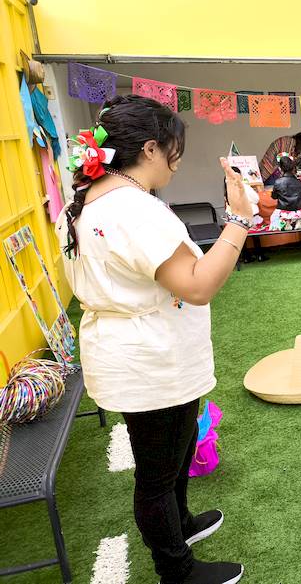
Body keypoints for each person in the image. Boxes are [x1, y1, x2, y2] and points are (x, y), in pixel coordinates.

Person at [56, 95, 249, 584]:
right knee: (157, 475)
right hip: (149, 358)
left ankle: (181, 525)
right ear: (149, 148)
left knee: (176, 451)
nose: (176, 162)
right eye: (173, 150)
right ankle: (176, 570)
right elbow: (198, 285)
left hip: (137, 352)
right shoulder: (133, 209)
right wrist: (239, 220)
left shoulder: (89, 199)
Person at [269, 153, 301, 231]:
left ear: (280, 168)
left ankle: (286, 222)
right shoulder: (298, 181)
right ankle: (297, 220)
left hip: (283, 211)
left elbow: (274, 197)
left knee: (273, 220)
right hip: (298, 210)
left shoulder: (278, 182)